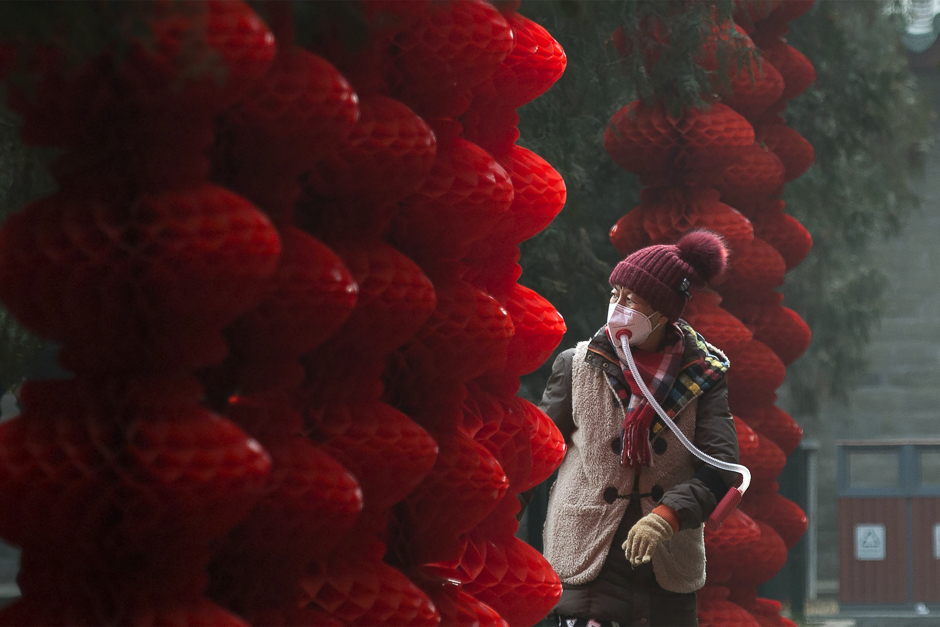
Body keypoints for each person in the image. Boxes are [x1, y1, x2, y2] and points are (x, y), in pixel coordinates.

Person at [538, 230, 740, 627]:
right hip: (587, 558)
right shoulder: (577, 366)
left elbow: (721, 466)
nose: (617, 307)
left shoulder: (704, 376)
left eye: (631, 299)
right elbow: (536, 453)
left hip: (665, 565)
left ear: (663, 312)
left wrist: (670, 514)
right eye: (615, 295)